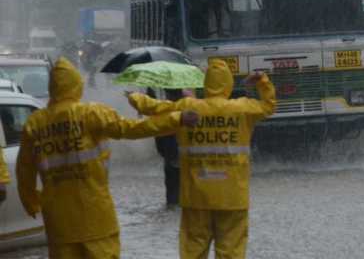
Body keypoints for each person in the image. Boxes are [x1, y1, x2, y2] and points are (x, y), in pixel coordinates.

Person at [15, 57, 198, 259]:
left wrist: (30, 202)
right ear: (77, 85)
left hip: (59, 222)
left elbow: (24, 169)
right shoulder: (92, 114)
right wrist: (177, 119)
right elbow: (134, 129)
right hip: (96, 216)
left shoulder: (35, 123)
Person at [127, 59, 276, 259]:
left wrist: (135, 98)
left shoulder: (188, 107)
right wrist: (262, 81)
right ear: (229, 83)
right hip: (232, 197)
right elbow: (268, 106)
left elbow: (158, 108)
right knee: (231, 252)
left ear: (205, 83)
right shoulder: (242, 109)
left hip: (196, 196)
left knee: (193, 251)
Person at [156, 89, 184, 207]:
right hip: (186, 157)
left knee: (172, 191)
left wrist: (164, 153)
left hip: (170, 154)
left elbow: (158, 136)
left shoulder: (164, 111)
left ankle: (172, 205)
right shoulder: (189, 108)